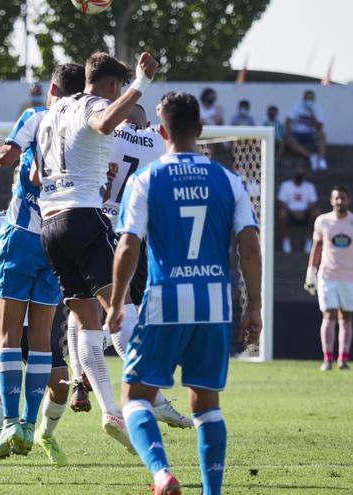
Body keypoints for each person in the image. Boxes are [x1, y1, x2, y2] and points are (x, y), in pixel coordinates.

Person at [106, 91, 263, 495]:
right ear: (201, 130)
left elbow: (128, 245)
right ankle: (212, 491)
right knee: (206, 404)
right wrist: (255, 306)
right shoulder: (228, 181)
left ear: (161, 132)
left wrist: (118, 302)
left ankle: (161, 474)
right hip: (215, 303)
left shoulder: (146, 179)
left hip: (165, 301)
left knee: (135, 396)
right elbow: (249, 245)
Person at [37, 51, 157, 453]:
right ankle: (150, 396)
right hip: (83, 218)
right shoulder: (94, 104)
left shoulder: (52, 112)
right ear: (111, 86)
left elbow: (36, 173)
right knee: (118, 309)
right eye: (120, 88)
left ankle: (110, 410)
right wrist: (142, 82)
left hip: (49, 226)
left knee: (86, 321)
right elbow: (105, 120)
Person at [0, 63, 85, 463]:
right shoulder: (83, 128)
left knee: (11, 335)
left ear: (52, 88)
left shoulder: (36, 116)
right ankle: (31, 427)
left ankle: (14, 420)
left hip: (21, 235)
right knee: (42, 344)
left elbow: (4, 159)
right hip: (59, 235)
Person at [66, 103, 191, 428]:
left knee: (82, 311)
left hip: (91, 223)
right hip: (131, 234)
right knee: (123, 313)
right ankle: (153, 395)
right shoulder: (155, 140)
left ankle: (81, 380)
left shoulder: (104, 136)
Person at [0, 210, 71, 469]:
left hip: (36, 320)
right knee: (6, 390)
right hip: (0, 319)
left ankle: (45, 435)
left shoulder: (52, 222)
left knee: (61, 383)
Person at [304, 186, 353, 371]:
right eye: (336, 198)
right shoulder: (323, 221)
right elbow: (317, 247)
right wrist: (311, 270)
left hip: (350, 276)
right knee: (329, 315)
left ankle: (343, 359)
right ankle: (327, 359)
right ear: (331, 200)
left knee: (347, 317)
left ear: (348, 200)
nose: (339, 202)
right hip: (327, 275)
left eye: (342, 198)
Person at [277, 167, 319, 254]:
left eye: (301, 174)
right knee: (282, 214)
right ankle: (286, 240)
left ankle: (310, 240)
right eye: (297, 174)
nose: (299, 176)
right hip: (290, 213)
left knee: (316, 214)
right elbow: (282, 202)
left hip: (305, 213)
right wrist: (293, 212)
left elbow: (313, 202)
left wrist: (303, 212)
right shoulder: (285, 185)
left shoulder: (309, 186)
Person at [286, 90, 327, 170]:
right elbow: (288, 120)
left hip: (310, 134)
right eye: (307, 98)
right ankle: (312, 157)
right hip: (297, 133)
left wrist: (312, 115)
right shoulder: (297, 107)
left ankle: (321, 160)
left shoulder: (318, 109)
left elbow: (320, 127)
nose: (309, 101)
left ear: (314, 100)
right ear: (304, 99)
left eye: (311, 99)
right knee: (288, 139)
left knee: (322, 135)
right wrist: (289, 131)